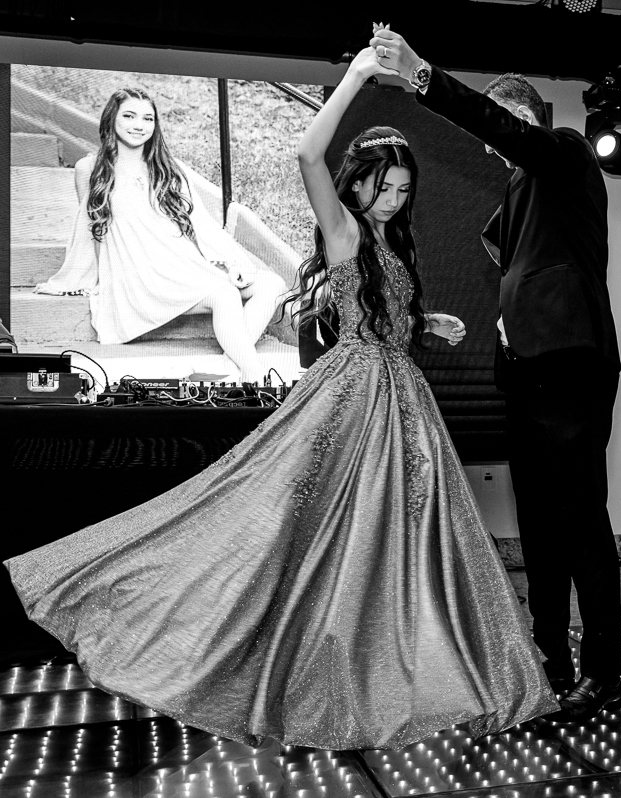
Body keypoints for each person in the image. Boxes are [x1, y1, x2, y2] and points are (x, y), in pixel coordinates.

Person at [4, 48, 560, 750]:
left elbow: (385, 315)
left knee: (405, 537)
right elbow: (305, 154)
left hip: (403, 399)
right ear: (357, 184)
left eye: (401, 189)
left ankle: (401, 660)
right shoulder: (345, 229)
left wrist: (426, 323)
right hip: (358, 396)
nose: (393, 199)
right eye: (382, 186)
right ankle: (336, 664)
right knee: (327, 533)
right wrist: (355, 78)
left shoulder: (390, 241)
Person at [370, 25, 621, 721]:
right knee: (539, 531)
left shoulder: (566, 153)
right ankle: (550, 660)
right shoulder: (515, 194)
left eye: (502, 129)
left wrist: (423, 75)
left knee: (581, 525)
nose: (493, 145)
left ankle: (605, 673)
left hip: (569, 368)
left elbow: (507, 132)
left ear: (527, 118)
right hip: (521, 378)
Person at [33, 88, 286, 382]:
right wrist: (88, 279)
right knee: (224, 294)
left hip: (179, 265)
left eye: (148, 118)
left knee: (273, 283)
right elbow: (90, 230)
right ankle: (254, 377)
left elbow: (202, 225)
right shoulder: (89, 168)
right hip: (138, 275)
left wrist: (233, 261)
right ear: (111, 119)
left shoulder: (167, 168)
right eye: (129, 116)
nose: (139, 125)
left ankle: (230, 366)